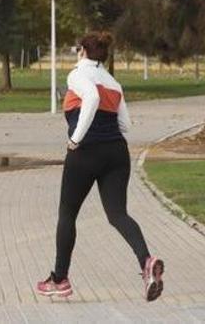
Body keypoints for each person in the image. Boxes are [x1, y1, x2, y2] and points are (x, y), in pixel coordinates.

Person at [35, 31, 164, 302]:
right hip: (117, 153)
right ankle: (146, 261)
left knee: (67, 214)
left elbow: (91, 98)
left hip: (85, 153)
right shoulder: (114, 83)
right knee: (118, 214)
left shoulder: (77, 74)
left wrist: (75, 138)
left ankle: (60, 279)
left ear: (82, 50)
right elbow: (125, 125)